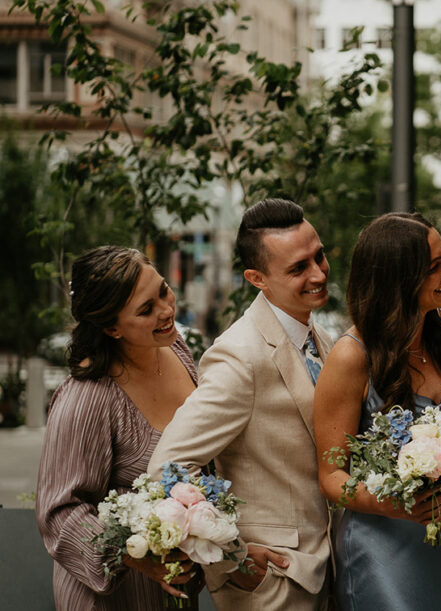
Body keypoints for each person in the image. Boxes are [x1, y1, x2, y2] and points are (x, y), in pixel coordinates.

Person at [148, 199, 335, 610]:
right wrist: (232, 558)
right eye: (299, 267)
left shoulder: (322, 340)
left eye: (319, 256)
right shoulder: (239, 354)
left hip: (331, 571)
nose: (319, 273)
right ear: (256, 278)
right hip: (274, 582)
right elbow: (169, 467)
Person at [315, 212, 441, 611]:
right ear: (400, 279)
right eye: (436, 266)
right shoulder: (351, 357)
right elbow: (331, 476)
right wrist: (390, 503)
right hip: (384, 551)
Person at [36, 246, 202, 609]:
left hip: (173, 586)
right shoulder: (86, 398)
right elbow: (59, 512)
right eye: (146, 310)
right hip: (113, 596)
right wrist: (137, 556)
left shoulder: (178, 351)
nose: (166, 310)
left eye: (162, 290)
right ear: (111, 327)